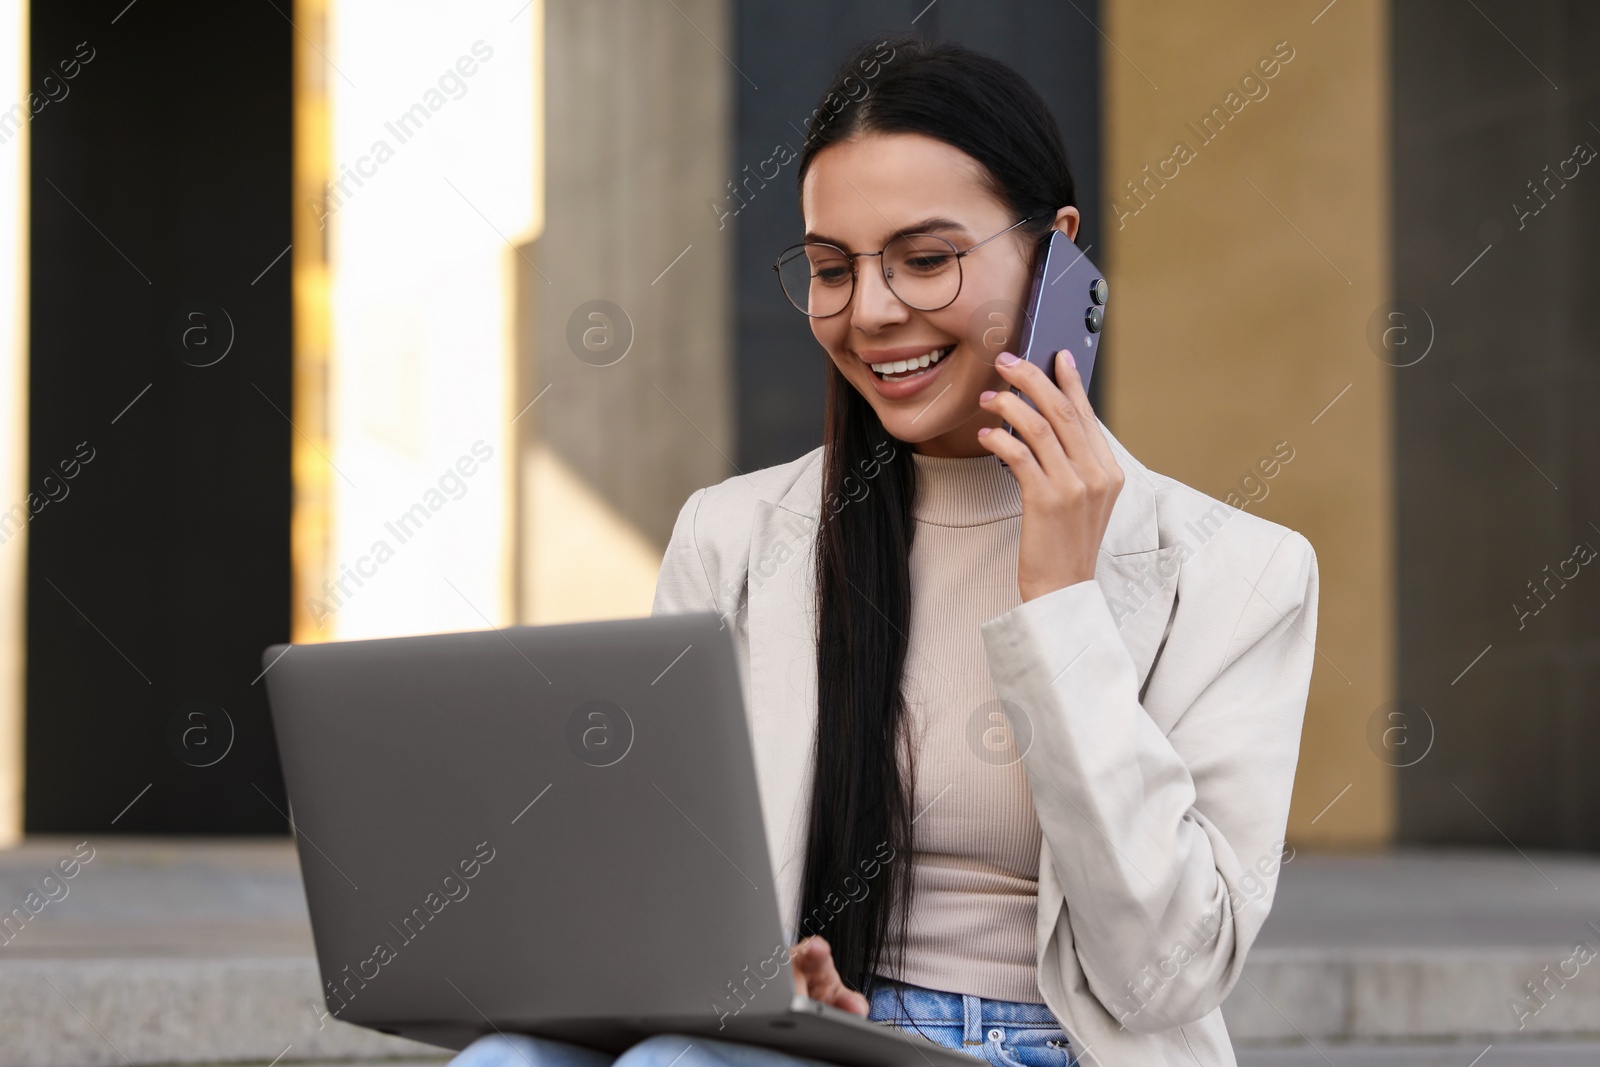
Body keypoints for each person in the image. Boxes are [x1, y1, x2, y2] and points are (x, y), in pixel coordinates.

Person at [450, 34, 1317, 1067]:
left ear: (1058, 253)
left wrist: (1061, 608)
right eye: (830, 268)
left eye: (925, 258)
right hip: (820, 1036)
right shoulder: (730, 537)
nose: (869, 312)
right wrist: (768, 982)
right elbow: (672, 882)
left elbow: (1164, 971)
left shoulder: (1239, 569)